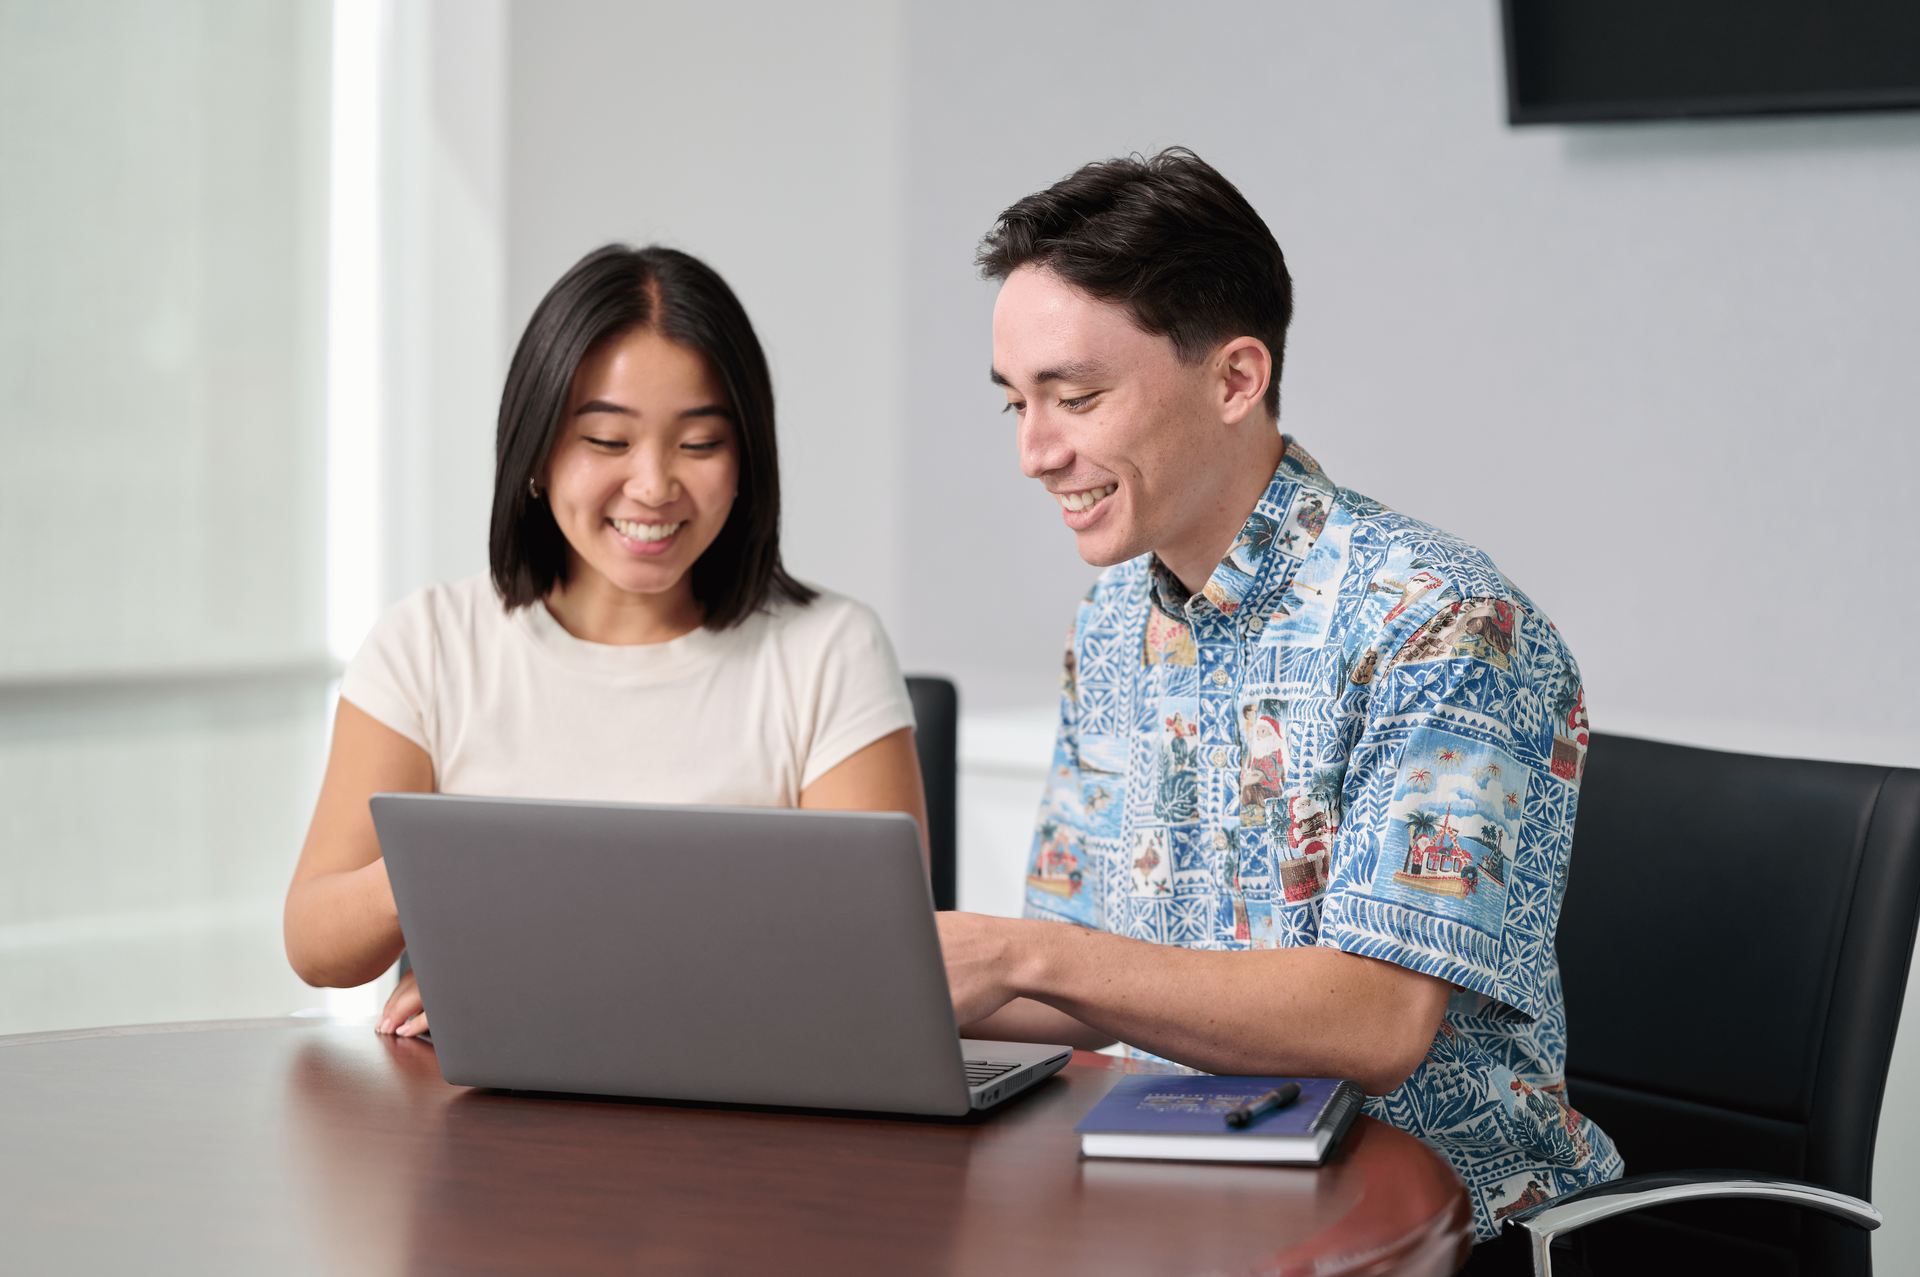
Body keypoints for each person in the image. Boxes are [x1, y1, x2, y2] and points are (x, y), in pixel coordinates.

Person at [935, 149, 1621, 1255]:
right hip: (1171, 1202)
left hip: (1428, 1231)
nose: (1034, 450)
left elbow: (1377, 1021)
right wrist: (884, 979)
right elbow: (1081, 973)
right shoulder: (1112, 619)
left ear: (1236, 378)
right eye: (1017, 403)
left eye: (1077, 396)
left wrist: (1017, 956)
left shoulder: (1441, 621)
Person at [284, 245, 924, 1038]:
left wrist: (541, 968)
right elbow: (318, 945)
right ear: (537, 452)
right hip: (482, 1123)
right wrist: (457, 864)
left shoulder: (831, 648)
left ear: (746, 460)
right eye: (608, 442)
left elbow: (869, 960)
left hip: (747, 1114)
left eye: (698, 444)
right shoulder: (428, 644)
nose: (654, 486)